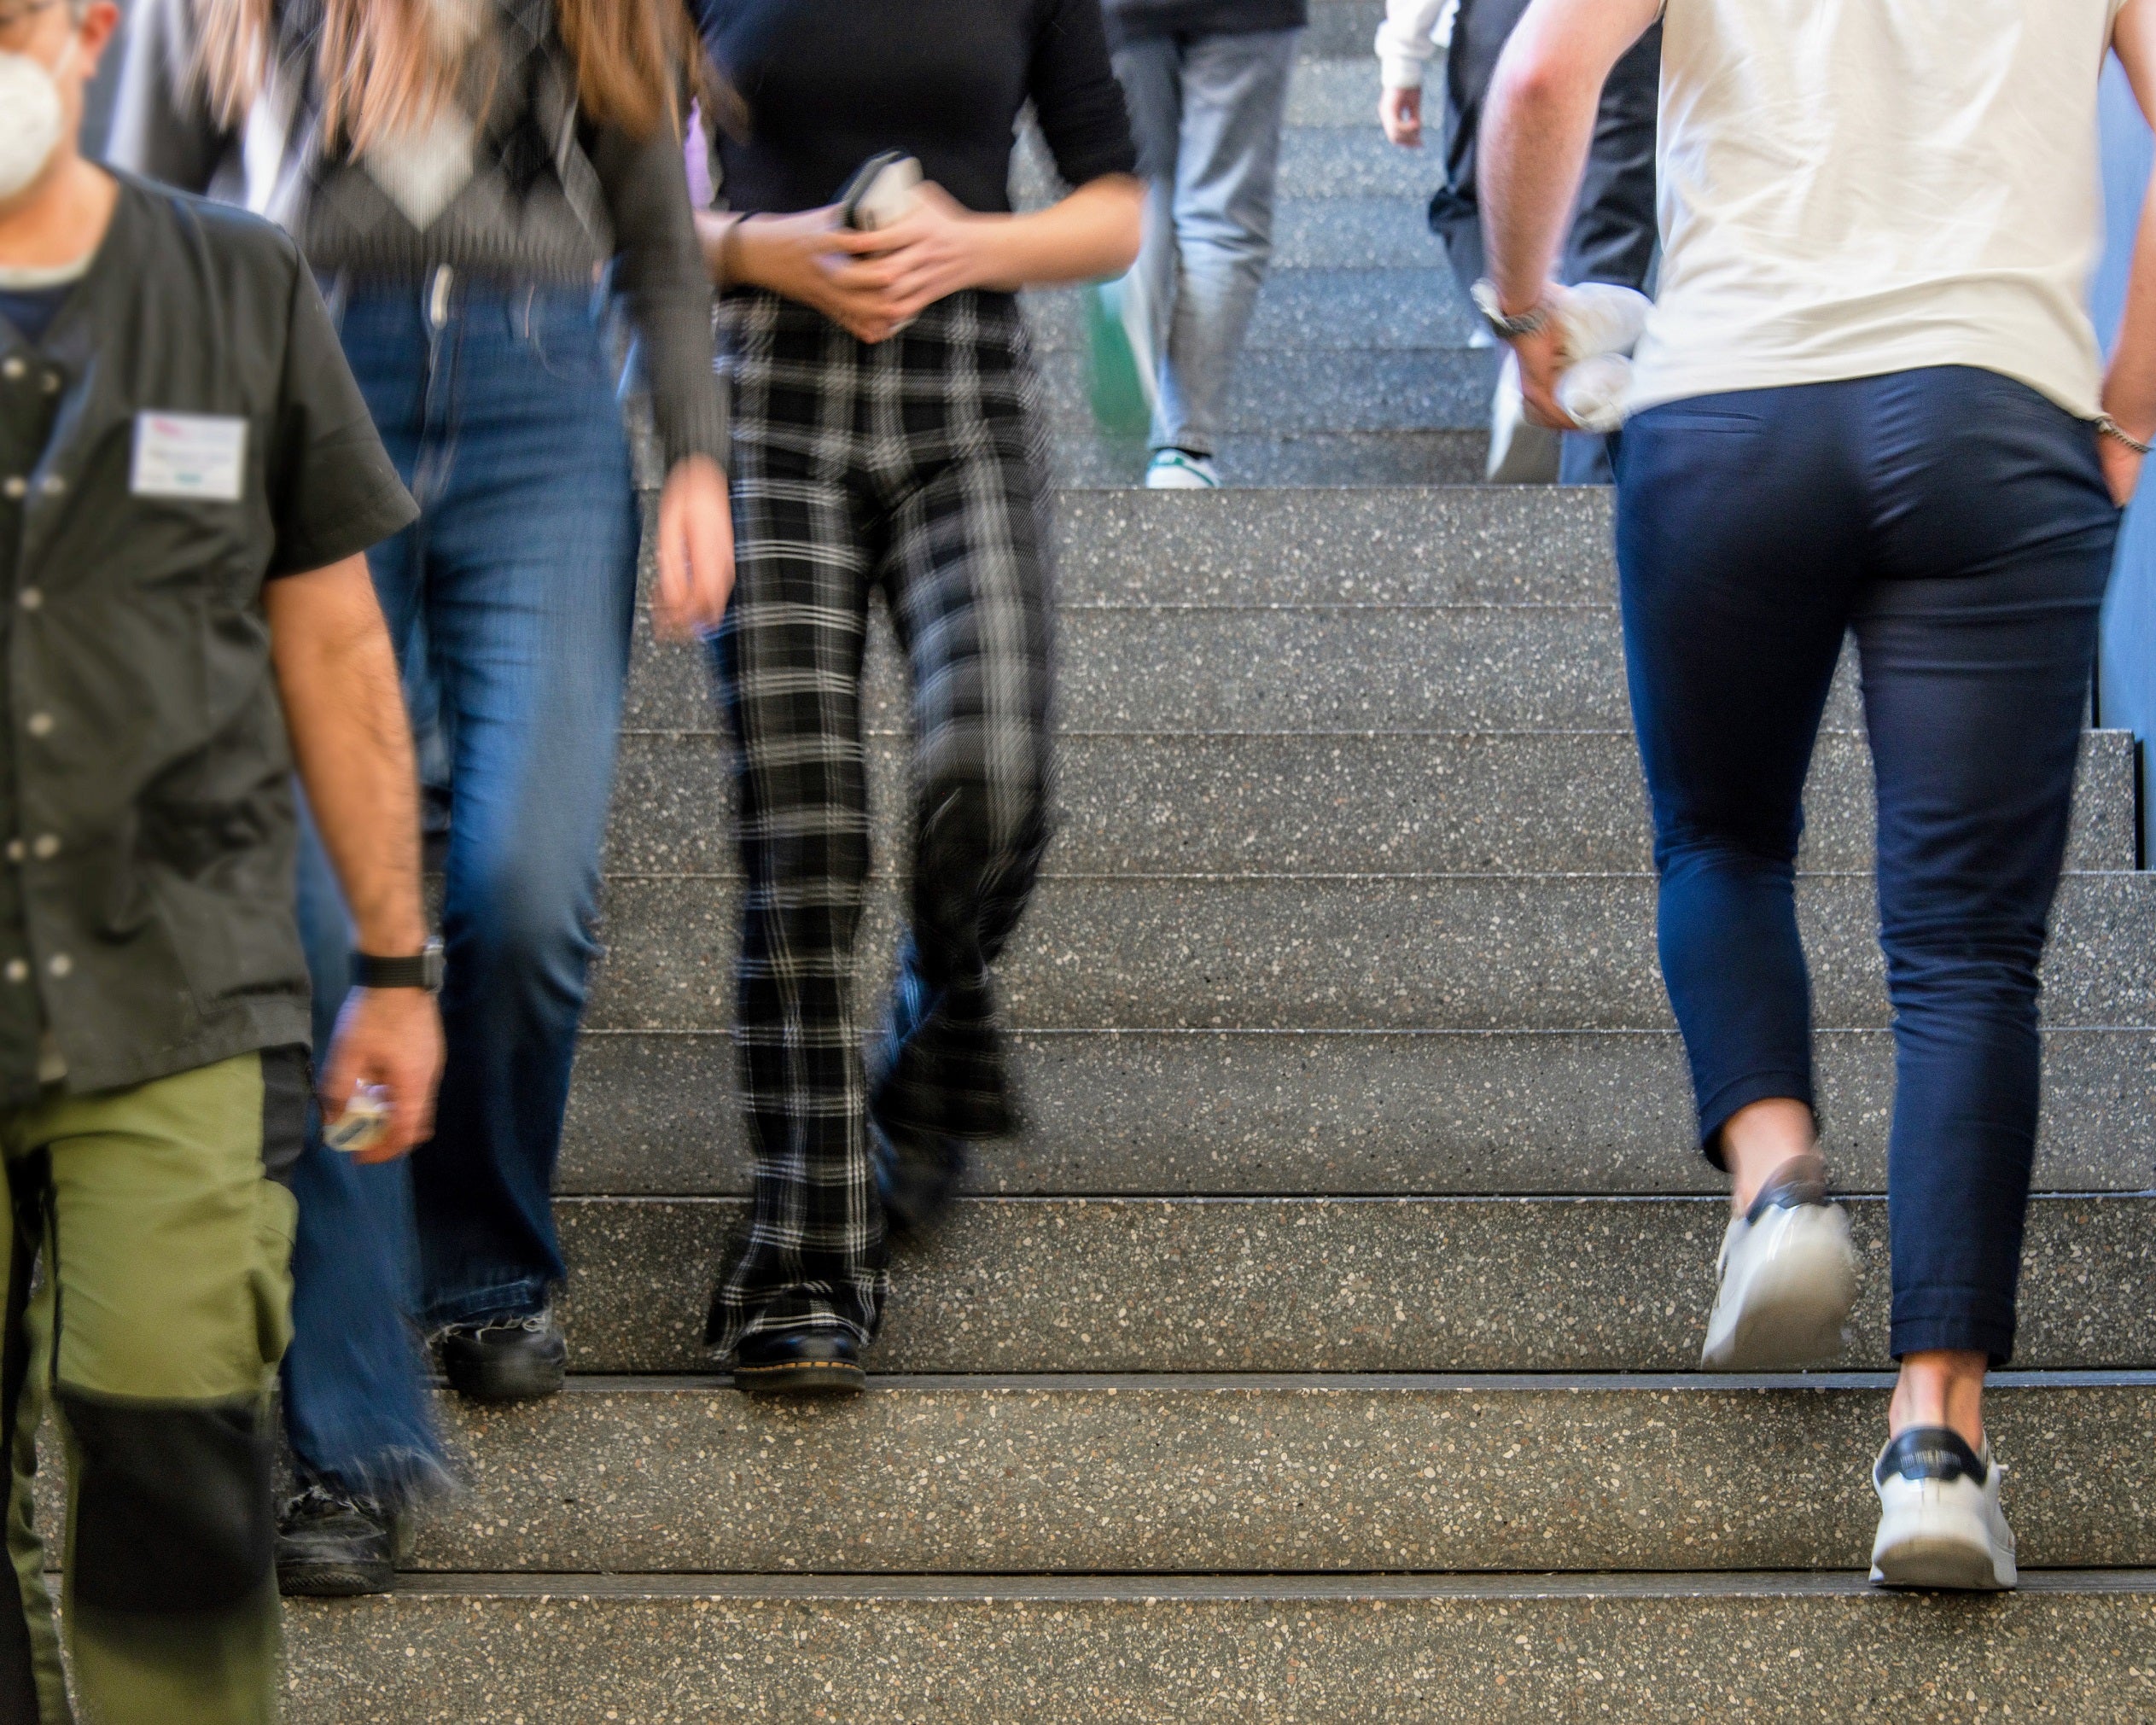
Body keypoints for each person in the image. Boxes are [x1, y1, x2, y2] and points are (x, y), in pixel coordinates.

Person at [1480, 0, 2156, 1588]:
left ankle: (1776, 1187)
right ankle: (1935, 1447)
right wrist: (2131, 406)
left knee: (1720, 836)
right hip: (1993, 419)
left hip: (1729, 409)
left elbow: (1544, 71)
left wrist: (1520, 307)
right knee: (1967, 956)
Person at [111, 0, 736, 1594]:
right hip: (302, 394)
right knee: (327, 942)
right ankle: (347, 1425)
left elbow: (657, 234)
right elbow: (140, 241)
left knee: (523, 888)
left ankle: (486, 1259)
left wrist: (693, 457)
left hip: (540, 412)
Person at [0, 0, 440, 1711]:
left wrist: (395, 965)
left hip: (176, 987)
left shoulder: (234, 289)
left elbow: (335, 651)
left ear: (83, 31)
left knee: (178, 1467)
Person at [685, 0, 1141, 1391]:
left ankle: (927, 1023)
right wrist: (763, 249)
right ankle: (804, 1261)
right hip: (765, 387)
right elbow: (619, 201)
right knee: (805, 831)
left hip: (964, 397)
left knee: (991, 778)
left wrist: (972, 245)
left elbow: (1117, 209)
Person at [1378, 0, 1657, 483]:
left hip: (1501, 20)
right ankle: (1590, 495)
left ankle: (1522, 342)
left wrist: (1403, 50)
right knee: (1607, 259)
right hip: (1630, 26)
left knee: (1472, 204)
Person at [1101, 0, 1302, 489]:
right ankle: (1182, 451)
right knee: (1222, 214)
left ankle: (1130, 282)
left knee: (1138, 185)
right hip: (1248, 17)